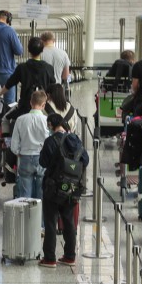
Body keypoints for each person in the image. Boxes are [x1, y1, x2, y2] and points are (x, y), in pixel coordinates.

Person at [38, 113, 88, 267]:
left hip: (53, 188)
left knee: (51, 222)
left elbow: (43, 162)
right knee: (69, 221)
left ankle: (50, 258)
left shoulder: (50, 141)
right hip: (72, 187)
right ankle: (70, 256)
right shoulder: (76, 140)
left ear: (52, 125)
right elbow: (85, 160)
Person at [0, 36, 55, 125]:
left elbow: (9, 84)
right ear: (42, 50)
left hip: (25, 107)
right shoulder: (49, 68)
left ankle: (8, 139)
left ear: (28, 50)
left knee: (5, 120)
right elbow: (52, 89)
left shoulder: (22, 68)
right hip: (43, 107)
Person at [10, 90, 49, 200]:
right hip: (42, 159)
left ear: (30, 103)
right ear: (43, 105)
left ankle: (26, 216)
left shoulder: (20, 120)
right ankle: (40, 217)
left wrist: (19, 153)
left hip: (25, 157)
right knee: (41, 195)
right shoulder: (46, 121)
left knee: (25, 196)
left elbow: (14, 145)